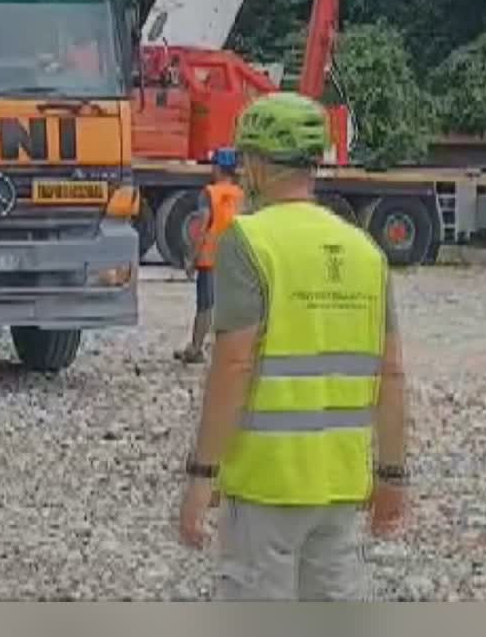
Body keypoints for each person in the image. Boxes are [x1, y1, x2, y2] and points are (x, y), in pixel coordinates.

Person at [175, 92, 410, 600]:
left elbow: (234, 364)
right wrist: (392, 473)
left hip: (266, 485)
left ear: (257, 164)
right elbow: (391, 374)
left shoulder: (250, 241)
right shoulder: (365, 250)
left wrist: (202, 473)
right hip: (341, 486)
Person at [174, 147, 244, 365]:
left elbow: (202, 226)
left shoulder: (209, 194)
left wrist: (192, 258)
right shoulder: (240, 195)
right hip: (235, 258)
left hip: (210, 257)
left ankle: (195, 349)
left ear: (218, 168)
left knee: (205, 305)